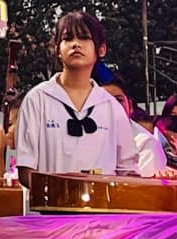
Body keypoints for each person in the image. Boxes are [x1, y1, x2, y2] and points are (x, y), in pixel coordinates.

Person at [15, 11, 138, 188]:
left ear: (101, 49)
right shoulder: (38, 99)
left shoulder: (111, 106)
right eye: (68, 38)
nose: (76, 44)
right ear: (57, 49)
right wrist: (60, 193)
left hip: (101, 205)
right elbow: (26, 169)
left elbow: (128, 170)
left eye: (84, 38)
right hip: (50, 205)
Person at [100, 77, 166, 176]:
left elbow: (144, 184)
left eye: (118, 100)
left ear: (130, 106)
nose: (113, 106)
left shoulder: (145, 142)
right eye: (103, 101)